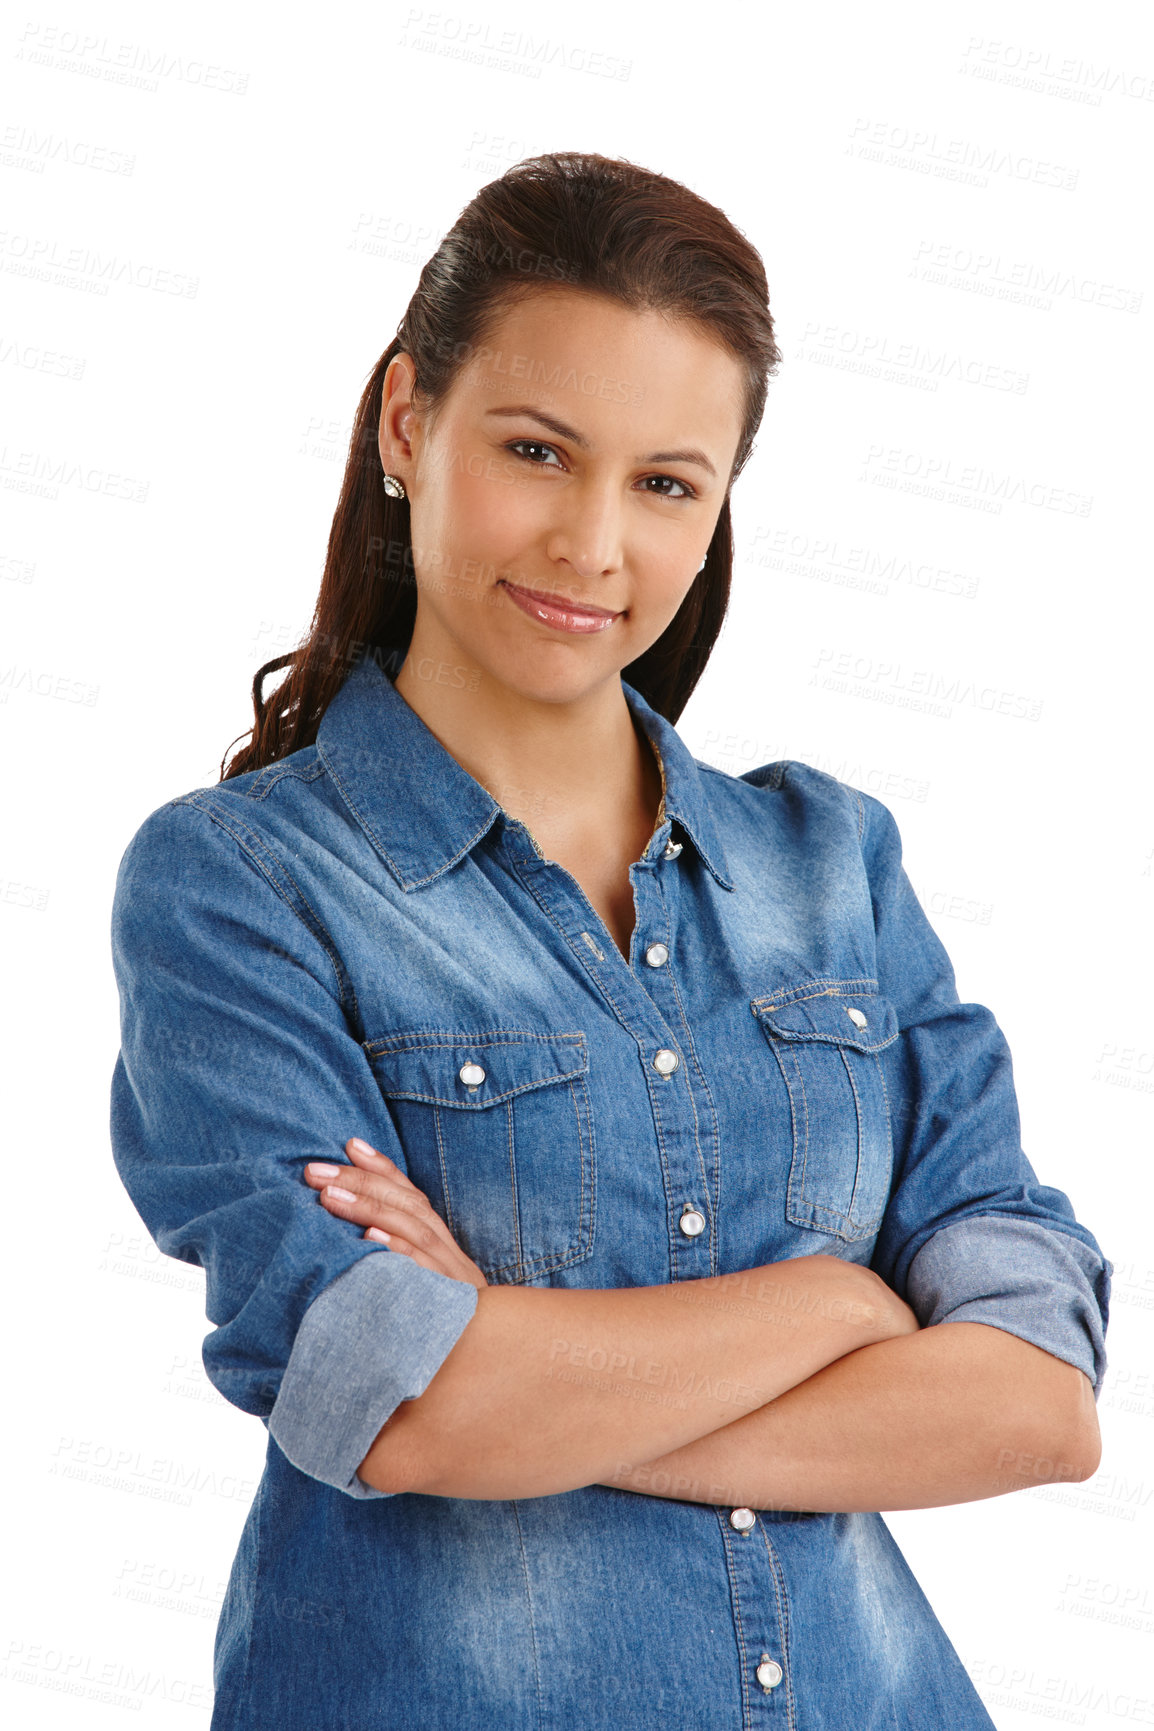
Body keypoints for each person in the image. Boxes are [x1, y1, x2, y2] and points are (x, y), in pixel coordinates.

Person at [109, 152, 1110, 1730]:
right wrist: (842, 1309)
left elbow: (1039, 1409)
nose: (591, 543)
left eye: (665, 483)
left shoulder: (832, 863)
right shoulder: (239, 885)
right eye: (534, 450)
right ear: (404, 422)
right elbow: (398, 1409)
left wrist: (532, 1379)